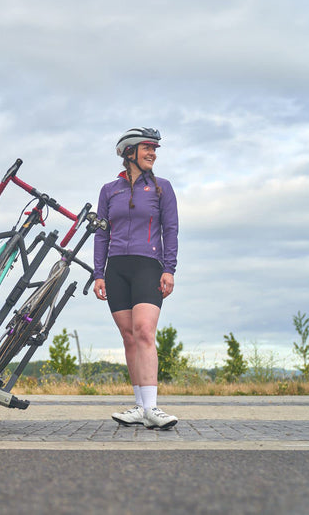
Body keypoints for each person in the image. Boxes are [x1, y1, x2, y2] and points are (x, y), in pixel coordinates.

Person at [92, 127, 179, 430]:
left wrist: (169, 268)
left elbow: (171, 230)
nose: (153, 153)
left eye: (155, 149)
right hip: (116, 268)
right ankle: (140, 407)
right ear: (129, 152)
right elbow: (101, 234)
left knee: (144, 331)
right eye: (147, 148)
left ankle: (153, 408)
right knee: (128, 336)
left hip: (148, 265)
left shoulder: (162, 188)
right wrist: (98, 273)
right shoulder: (109, 190)